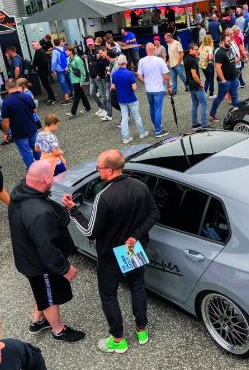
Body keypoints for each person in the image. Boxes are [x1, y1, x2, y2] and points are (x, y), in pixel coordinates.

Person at [64, 150, 159, 354]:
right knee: (137, 287)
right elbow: (154, 214)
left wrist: (73, 210)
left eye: (98, 168)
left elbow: (90, 232)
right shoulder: (140, 186)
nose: (97, 171)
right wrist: (135, 235)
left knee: (108, 296)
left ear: (109, 170)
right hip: (132, 248)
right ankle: (142, 330)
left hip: (110, 255)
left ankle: (118, 340)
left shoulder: (104, 196)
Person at [8, 161, 84, 343]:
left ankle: (38, 321)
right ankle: (59, 331)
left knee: (42, 291)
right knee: (49, 296)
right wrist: (65, 268)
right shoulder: (39, 213)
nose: (54, 179)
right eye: (52, 175)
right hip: (39, 264)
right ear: (46, 180)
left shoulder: (21, 191)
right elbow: (46, 247)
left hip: (27, 256)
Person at [1, 79, 40, 169]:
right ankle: (42, 166)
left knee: (26, 152)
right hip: (32, 128)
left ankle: (33, 171)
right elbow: (35, 110)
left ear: (6, 87)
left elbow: (6, 121)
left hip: (18, 132)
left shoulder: (6, 102)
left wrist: (5, 133)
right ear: (16, 85)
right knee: (37, 149)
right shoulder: (27, 96)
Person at [110, 54, 148, 144]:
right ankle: (142, 133)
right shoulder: (130, 74)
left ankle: (125, 138)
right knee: (137, 116)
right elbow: (134, 87)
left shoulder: (115, 74)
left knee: (124, 118)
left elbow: (113, 87)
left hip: (121, 99)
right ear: (126, 62)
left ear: (118, 63)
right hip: (131, 98)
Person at [137, 43, 170, 138]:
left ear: (146, 50)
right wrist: (169, 86)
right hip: (159, 89)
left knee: (152, 108)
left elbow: (139, 76)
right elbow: (166, 76)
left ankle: (156, 126)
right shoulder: (160, 60)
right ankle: (158, 131)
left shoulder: (142, 61)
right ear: (154, 50)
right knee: (158, 109)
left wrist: (145, 82)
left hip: (149, 89)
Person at [209, 30, 241, 123]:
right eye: (228, 41)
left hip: (233, 79)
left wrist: (237, 59)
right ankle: (212, 114)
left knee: (235, 98)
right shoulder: (219, 52)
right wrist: (223, 80)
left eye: (230, 41)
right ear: (223, 42)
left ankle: (238, 114)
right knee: (219, 98)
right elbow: (218, 68)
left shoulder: (229, 48)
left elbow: (231, 60)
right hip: (225, 81)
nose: (230, 42)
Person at [184, 43, 207, 129]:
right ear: (191, 50)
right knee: (204, 104)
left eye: (198, 49)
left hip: (190, 85)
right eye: (196, 49)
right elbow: (194, 75)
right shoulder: (192, 60)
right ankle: (204, 125)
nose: (197, 51)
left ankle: (194, 124)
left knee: (195, 104)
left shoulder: (187, 58)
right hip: (196, 85)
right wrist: (200, 83)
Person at [64, 46, 91, 118]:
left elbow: (83, 71)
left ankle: (73, 112)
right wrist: (68, 69)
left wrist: (82, 81)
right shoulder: (69, 59)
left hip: (78, 80)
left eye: (66, 51)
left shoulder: (78, 59)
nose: (65, 52)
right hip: (74, 80)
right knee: (82, 95)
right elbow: (72, 69)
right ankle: (88, 107)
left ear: (71, 51)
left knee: (76, 97)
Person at [51, 38, 71, 104]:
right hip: (67, 68)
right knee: (70, 81)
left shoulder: (54, 51)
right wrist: (67, 66)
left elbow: (54, 61)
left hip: (60, 70)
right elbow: (68, 57)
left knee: (63, 84)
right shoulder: (64, 49)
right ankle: (74, 95)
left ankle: (67, 99)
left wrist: (53, 70)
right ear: (60, 42)